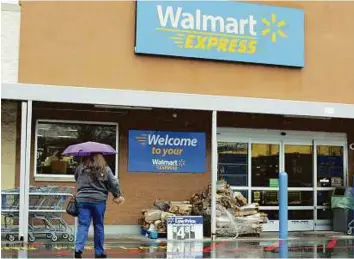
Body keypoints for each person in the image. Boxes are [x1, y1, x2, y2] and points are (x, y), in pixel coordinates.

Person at [74, 153, 124, 258]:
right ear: (100, 158)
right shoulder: (105, 169)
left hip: (82, 200)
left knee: (83, 225)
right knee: (98, 226)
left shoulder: (81, 167)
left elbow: (76, 178)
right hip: (98, 201)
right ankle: (99, 252)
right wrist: (117, 194)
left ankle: (78, 249)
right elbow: (113, 183)